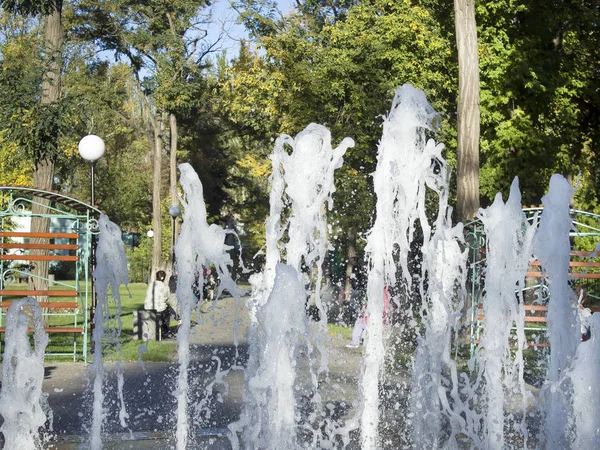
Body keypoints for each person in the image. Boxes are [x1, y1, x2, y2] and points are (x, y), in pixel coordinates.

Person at [145, 270, 179, 338]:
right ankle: (166, 331)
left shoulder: (151, 284)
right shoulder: (165, 286)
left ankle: (166, 327)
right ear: (163, 278)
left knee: (165, 309)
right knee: (168, 310)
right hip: (159, 309)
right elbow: (167, 298)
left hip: (148, 307)